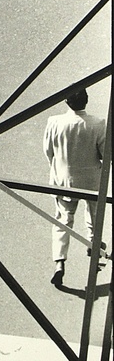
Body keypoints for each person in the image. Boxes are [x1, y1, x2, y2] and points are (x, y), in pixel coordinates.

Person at [43, 88, 106, 287]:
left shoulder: (54, 122)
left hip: (64, 179)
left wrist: (58, 167)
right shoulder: (98, 124)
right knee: (95, 215)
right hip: (91, 180)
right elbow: (105, 153)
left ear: (67, 103)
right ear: (86, 101)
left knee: (63, 219)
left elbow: (48, 151)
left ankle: (59, 262)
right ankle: (93, 245)